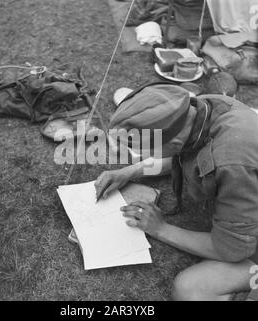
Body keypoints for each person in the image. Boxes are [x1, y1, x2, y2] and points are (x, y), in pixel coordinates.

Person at [95, 84, 258, 301]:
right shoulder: (199, 107)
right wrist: (129, 172)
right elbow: (178, 153)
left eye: (144, 150)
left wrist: (160, 229)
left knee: (190, 290)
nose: (140, 155)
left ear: (175, 142)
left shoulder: (232, 163)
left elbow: (232, 249)